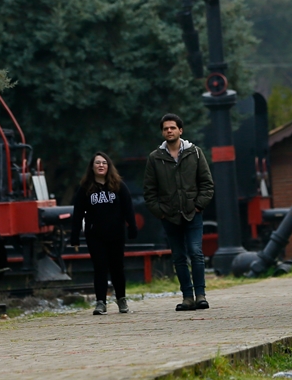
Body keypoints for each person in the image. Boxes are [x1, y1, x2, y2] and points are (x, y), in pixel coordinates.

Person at [143, 113, 214, 311]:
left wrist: (198, 205)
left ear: (180, 130)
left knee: (196, 252)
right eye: (165, 128)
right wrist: (161, 213)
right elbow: (149, 192)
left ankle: (201, 295)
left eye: (172, 128)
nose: (169, 131)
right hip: (170, 216)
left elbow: (207, 184)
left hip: (193, 213)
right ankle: (187, 297)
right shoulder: (155, 158)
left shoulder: (195, 153)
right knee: (179, 257)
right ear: (162, 132)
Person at [72, 152, 137, 315]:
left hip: (116, 233)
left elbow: (128, 208)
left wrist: (132, 227)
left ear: (108, 166)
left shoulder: (119, 186)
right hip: (95, 235)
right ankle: (101, 302)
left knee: (117, 267)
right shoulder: (85, 188)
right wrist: (74, 235)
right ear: (92, 167)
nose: (101, 165)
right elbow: (78, 212)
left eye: (104, 163)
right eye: (97, 163)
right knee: (100, 268)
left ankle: (121, 299)